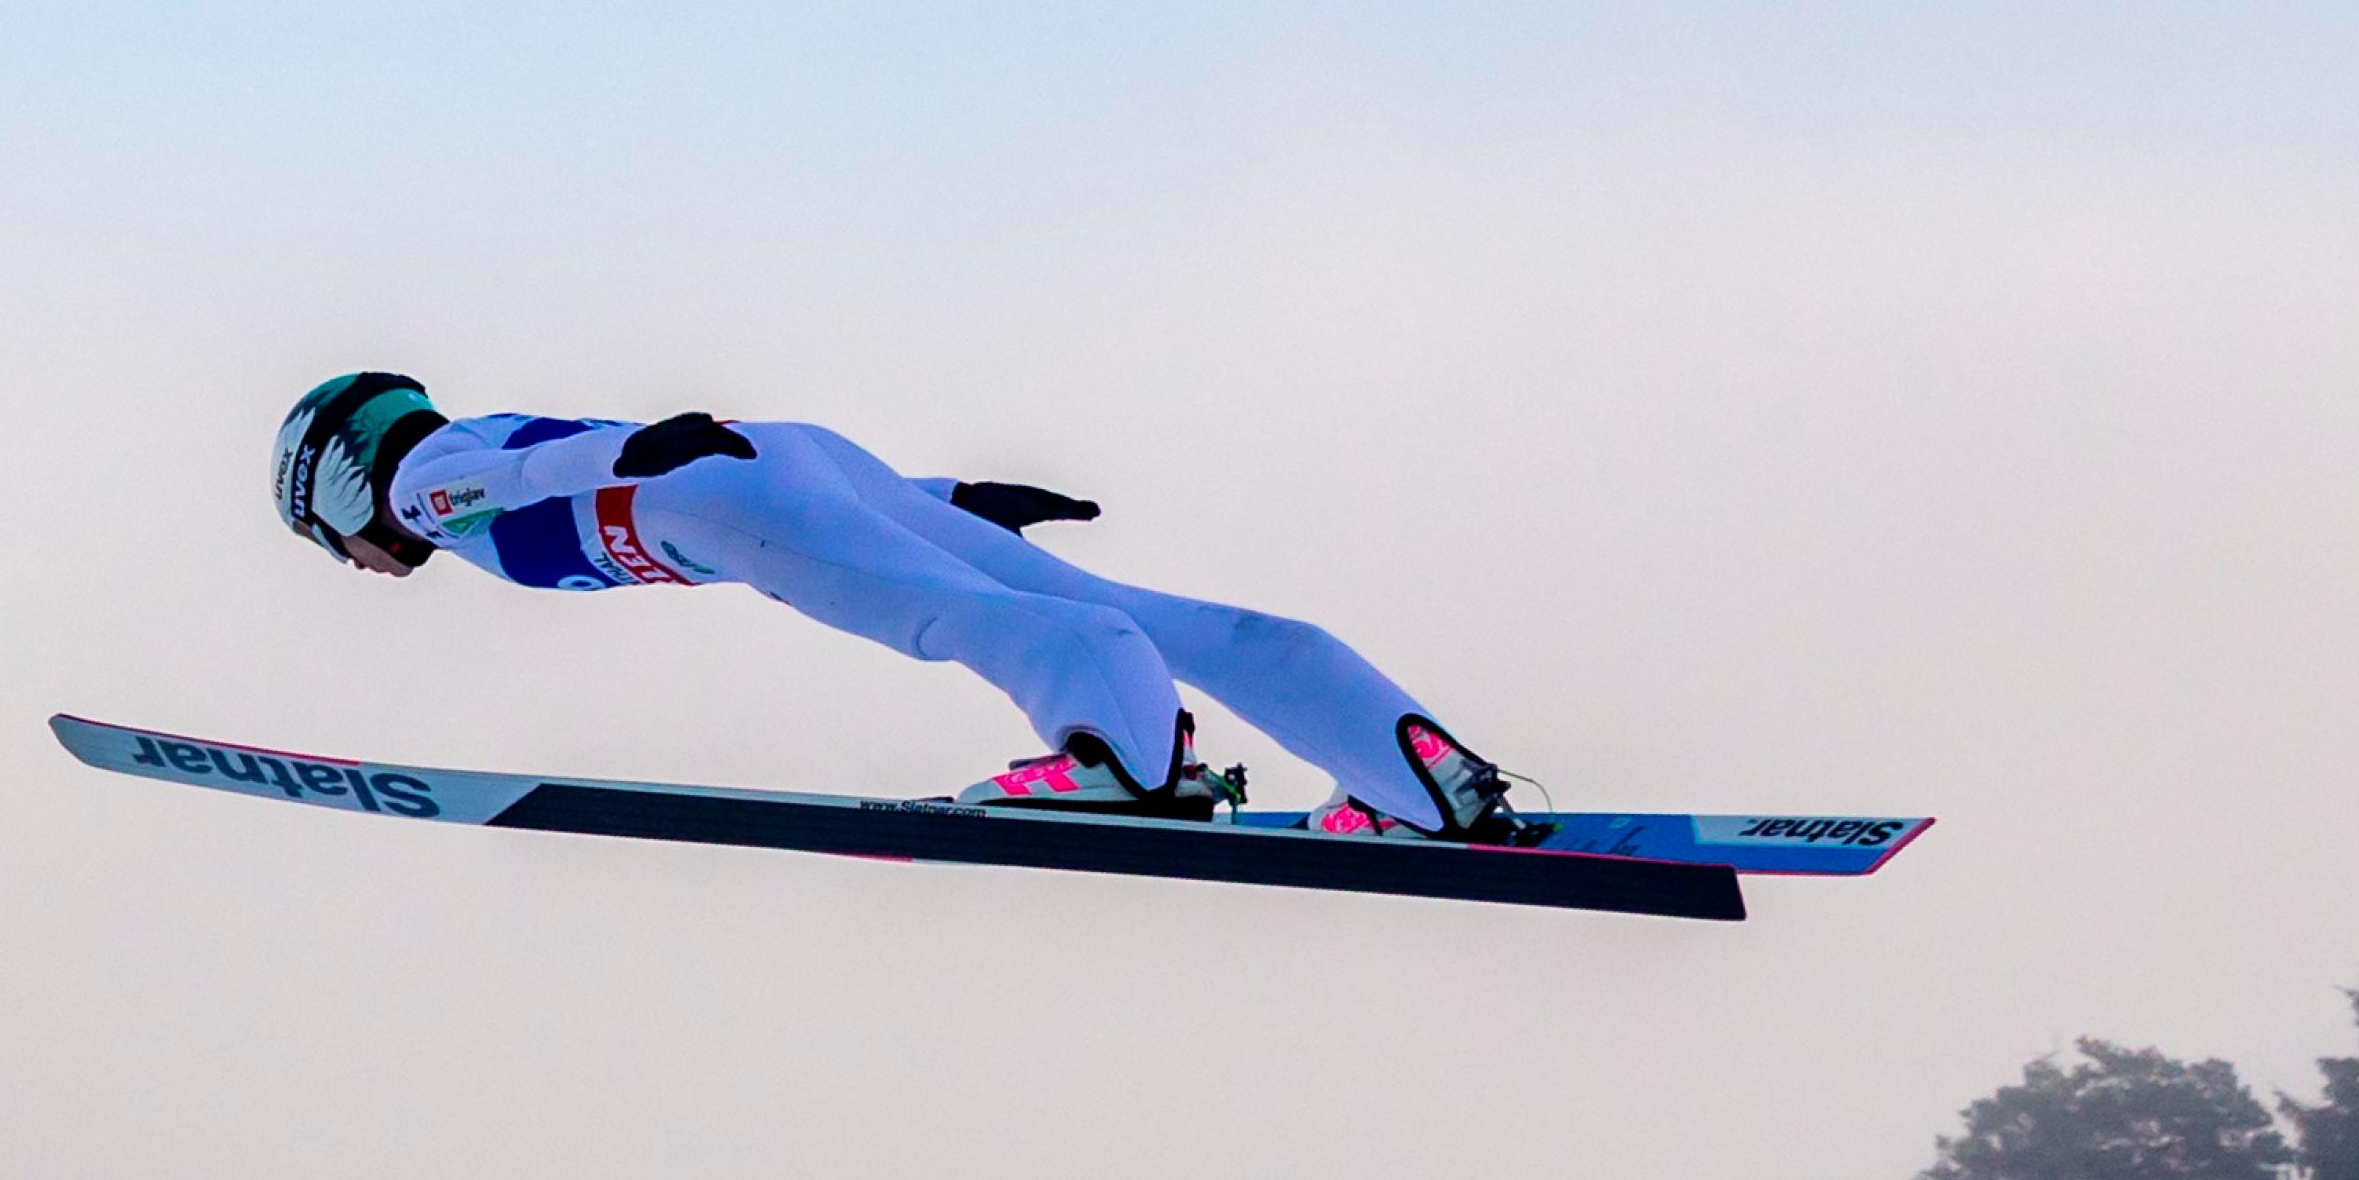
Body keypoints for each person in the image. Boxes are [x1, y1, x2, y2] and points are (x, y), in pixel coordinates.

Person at [269, 373, 1524, 837]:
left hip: (712, 497)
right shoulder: (473, 435)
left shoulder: (430, 474)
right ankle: (1418, 772)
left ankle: (1125, 765)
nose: (358, 563)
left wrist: (631, 452)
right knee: (1129, 606)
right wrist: (952, 498)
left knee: (953, 618)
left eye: (334, 544)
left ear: (333, 480)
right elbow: (825, 499)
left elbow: (493, 482)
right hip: (785, 461)